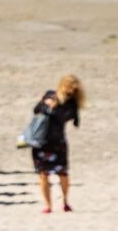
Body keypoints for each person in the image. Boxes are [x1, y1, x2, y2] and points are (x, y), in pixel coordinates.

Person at [25, 75, 83, 214]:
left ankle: (64, 202)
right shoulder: (50, 94)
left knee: (62, 173)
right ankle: (47, 205)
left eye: (74, 89)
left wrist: (53, 107)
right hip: (41, 141)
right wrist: (45, 103)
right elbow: (36, 110)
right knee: (43, 174)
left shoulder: (72, 103)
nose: (71, 91)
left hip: (58, 142)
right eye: (69, 87)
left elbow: (73, 120)